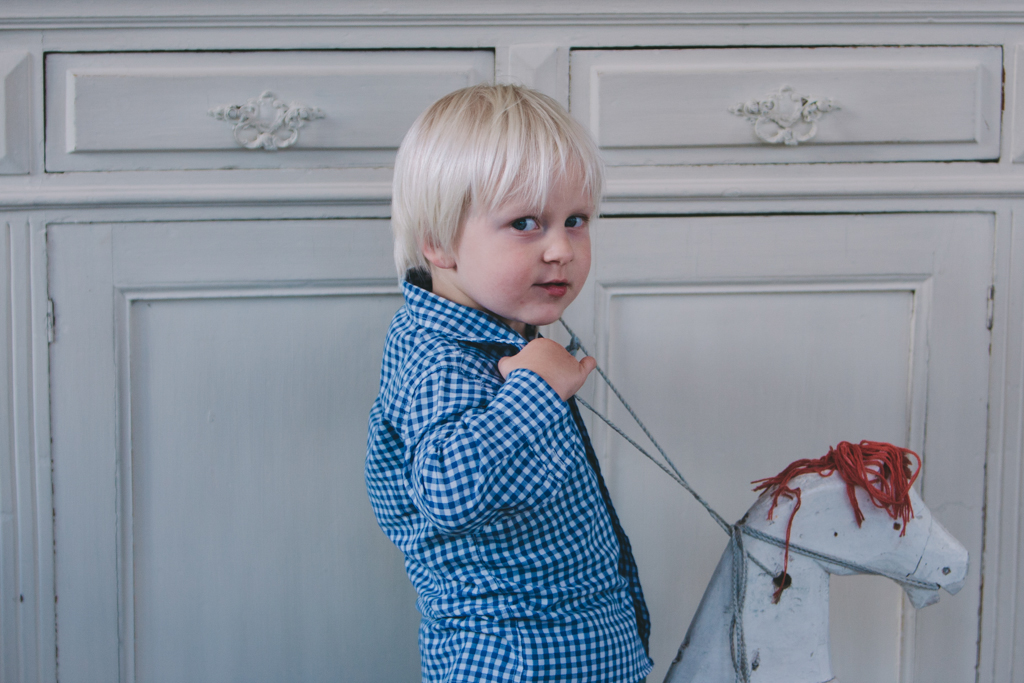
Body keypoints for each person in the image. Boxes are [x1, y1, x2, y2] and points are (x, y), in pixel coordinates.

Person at [365, 83, 652, 682]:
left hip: (571, 654)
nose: (560, 249)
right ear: (439, 243)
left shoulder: (503, 332)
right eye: (526, 223)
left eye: (576, 221)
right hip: (517, 663)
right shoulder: (442, 359)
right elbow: (447, 491)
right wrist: (536, 392)